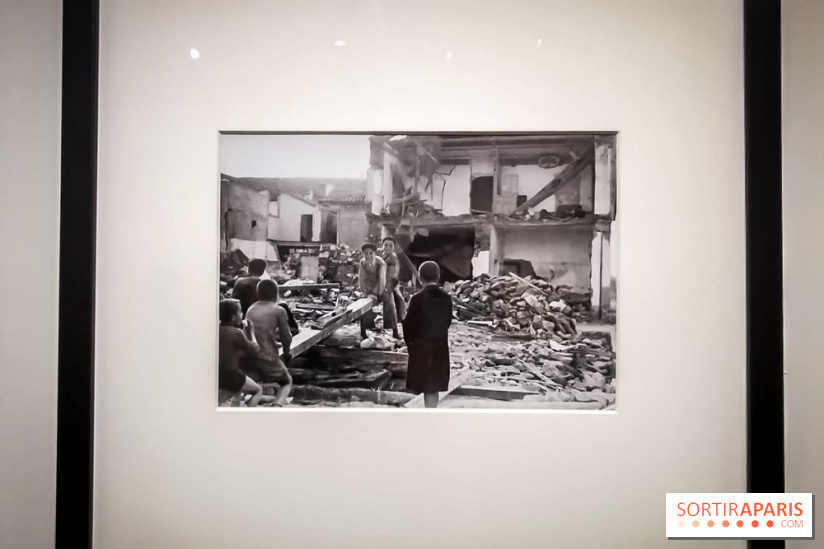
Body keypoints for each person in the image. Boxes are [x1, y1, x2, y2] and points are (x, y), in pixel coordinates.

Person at [402, 261, 452, 408]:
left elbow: (409, 326)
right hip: (439, 348)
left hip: (421, 348)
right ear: (438, 276)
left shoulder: (417, 299)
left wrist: (411, 345)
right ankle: (432, 415)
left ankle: (425, 418)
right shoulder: (446, 298)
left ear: (420, 277)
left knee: (424, 385)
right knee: (433, 387)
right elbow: (447, 322)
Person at [245, 279, 294, 407]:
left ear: (258, 293)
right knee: (286, 381)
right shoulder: (278, 310)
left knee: (252, 384)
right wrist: (287, 353)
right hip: (268, 358)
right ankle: (277, 406)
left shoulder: (251, 309)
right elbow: (286, 336)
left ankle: (244, 405)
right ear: (276, 294)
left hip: (250, 357)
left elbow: (250, 333)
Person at [218, 299, 270, 406]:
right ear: (233, 317)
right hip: (231, 376)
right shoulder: (236, 333)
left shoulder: (216, 329)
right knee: (257, 390)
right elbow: (255, 350)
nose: (242, 314)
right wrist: (251, 331)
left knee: (235, 395)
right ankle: (247, 416)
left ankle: (235, 410)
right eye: (240, 312)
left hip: (218, 373)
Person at [358, 242, 398, 340]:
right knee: (364, 305)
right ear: (363, 254)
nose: (368, 256)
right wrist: (365, 291)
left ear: (375, 253)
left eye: (371, 253)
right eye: (366, 253)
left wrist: (376, 293)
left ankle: (395, 330)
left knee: (390, 304)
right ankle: (363, 331)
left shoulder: (380, 262)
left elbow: (382, 279)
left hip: (382, 287)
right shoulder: (362, 262)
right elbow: (362, 278)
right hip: (370, 288)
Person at [380, 236, 407, 324]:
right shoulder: (380, 255)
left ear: (394, 247)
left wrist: (387, 287)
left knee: (397, 300)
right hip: (380, 281)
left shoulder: (393, 257)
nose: (388, 247)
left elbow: (392, 274)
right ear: (382, 245)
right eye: (386, 245)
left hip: (390, 282)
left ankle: (400, 320)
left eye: (390, 246)